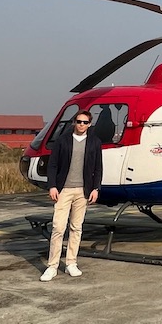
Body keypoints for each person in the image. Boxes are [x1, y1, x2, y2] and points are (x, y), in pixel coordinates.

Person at [42, 110, 104, 280]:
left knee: (76, 228)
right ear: (74, 123)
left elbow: (98, 168)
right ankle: (52, 266)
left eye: (85, 122)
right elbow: (53, 165)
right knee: (58, 228)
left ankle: (71, 263)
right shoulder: (62, 141)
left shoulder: (95, 142)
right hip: (64, 190)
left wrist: (96, 188)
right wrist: (52, 186)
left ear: (89, 124)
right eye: (79, 121)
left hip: (83, 191)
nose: (81, 125)